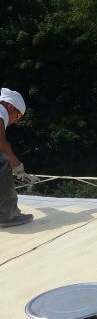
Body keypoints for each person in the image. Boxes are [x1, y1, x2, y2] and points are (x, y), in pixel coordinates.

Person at [0, 87, 36, 228]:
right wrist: (17, 165)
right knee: (3, 160)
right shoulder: (1, 111)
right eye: (19, 115)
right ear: (10, 106)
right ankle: (7, 215)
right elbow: (1, 142)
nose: (16, 120)